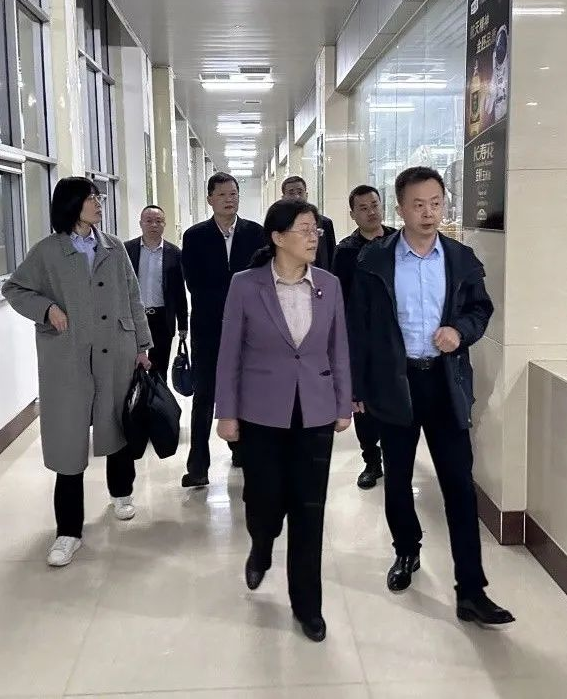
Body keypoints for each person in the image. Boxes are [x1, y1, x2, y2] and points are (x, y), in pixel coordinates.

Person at [347, 166, 515, 625]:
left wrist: (459, 331)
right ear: (400, 209)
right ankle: (406, 550)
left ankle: (471, 590)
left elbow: (480, 309)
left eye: (436, 203)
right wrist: (356, 387)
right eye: (418, 205)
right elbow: (358, 327)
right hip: (395, 383)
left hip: (444, 383)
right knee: (398, 479)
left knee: (458, 485)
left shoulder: (460, 258)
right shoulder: (374, 261)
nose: (428, 213)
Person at [214, 198, 352, 643]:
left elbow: (338, 347)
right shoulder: (246, 285)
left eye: (316, 230)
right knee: (265, 500)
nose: (314, 237)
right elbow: (229, 353)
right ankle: (261, 545)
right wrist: (226, 413)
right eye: (304, 229)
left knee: (310, 510)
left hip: (315, 411)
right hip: (261, 414)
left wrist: (343, 404)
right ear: (277, 237)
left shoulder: (328, 285)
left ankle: (307, 605)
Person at [3, 177, 153, 567]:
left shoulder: (114, 247)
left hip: (116, 352)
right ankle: (68, 532)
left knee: (117, 424)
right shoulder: (47, 251)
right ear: (71, 205)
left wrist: (142, 346)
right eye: (90, 198)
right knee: (68, 444)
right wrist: (47, 309)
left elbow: (133, 297)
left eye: (98, 197)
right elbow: (15, 289)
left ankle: (122, 493)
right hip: (67, 358)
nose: (98, 203)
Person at [180, 172, 267, 487]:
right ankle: (198, 467)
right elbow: (194, 283)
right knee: (204, 395)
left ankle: (242, 451)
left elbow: (263, 279)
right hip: (208, 328)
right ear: (210, 199)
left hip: (249, 328)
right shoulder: (195, 236)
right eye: (222, 195)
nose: (229, 200)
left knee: (247, 392)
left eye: (234, 194)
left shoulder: (256, 233)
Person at [332, 185, 396, 490]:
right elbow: (338, 299)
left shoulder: (399, 241)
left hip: (397, 337)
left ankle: (396, 458)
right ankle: (371, 460)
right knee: (364, 404)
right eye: (363, 208)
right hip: (361, 339)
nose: (371, 212)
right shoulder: (346, 251)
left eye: (375, 205)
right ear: (353, 214)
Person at [124, 205, 188, 384]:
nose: (154, 225)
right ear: (141, 223)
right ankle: (135, 402)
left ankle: (157, 401)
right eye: (149, 221)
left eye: (158, 221)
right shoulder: (127, 250)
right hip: (134, 318)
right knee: (132, 369)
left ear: (164, 224)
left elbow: (179, 291)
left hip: (162, 318)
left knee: (159, 371)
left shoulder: (174, 253)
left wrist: (183, 325)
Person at [282, 175, 336, 270]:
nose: (297, 196)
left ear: (306, 195)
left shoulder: (324, 223)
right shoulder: (278, 225)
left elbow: (332, 256)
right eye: (291, 193)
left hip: (320, 276)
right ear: (283, 198)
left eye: (300, 192)